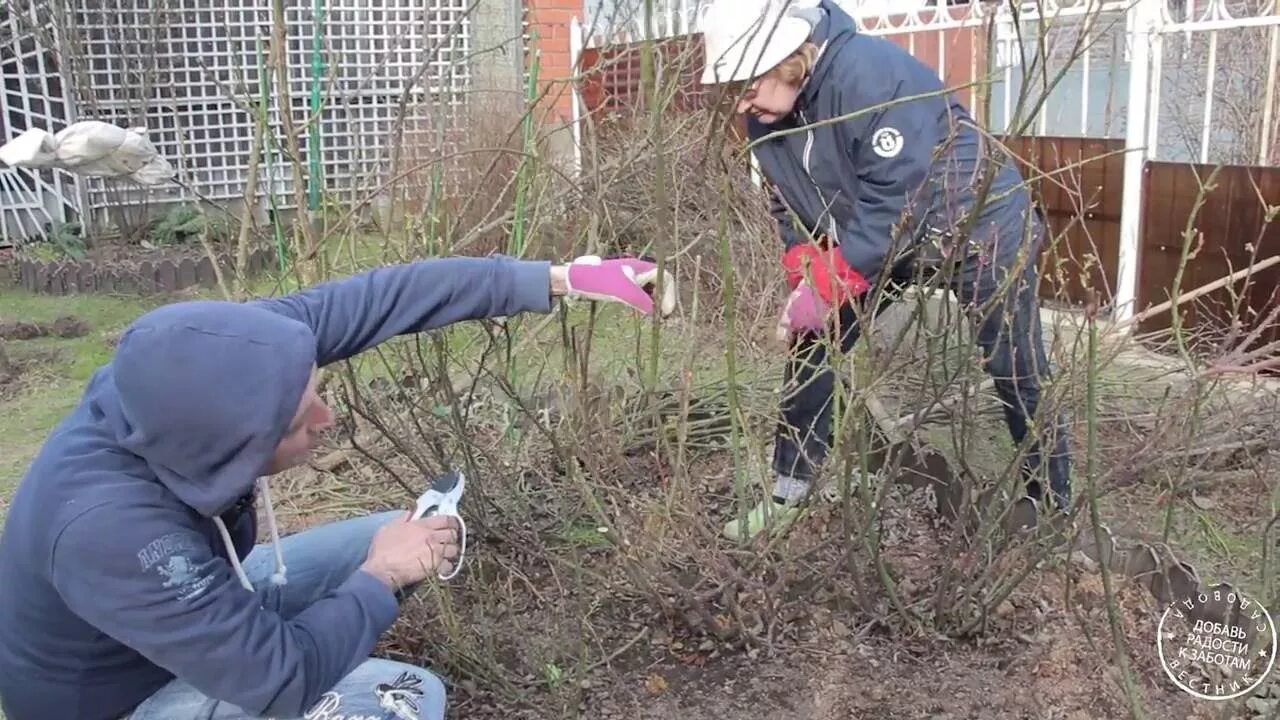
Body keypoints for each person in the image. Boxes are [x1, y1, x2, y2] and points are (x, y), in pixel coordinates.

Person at [0, 253, 674, 720]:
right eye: (301, 421)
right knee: (399, 697)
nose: (328, 419)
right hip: (119, 699)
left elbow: (386, 297)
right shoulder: (112, 531)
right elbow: (280, 680)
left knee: (394, 533)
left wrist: (558, 278)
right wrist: (379, 580)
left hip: (187, 606)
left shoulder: (225, 363)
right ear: (233, 447)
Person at [698, 0, 1073, 541]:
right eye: (731, 89)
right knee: (813, 341)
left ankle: (1053, 501)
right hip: (881, 236)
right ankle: (790, 493)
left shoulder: (868, 76)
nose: (742, 103)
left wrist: (832, 281)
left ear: (787, 60)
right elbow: (788, 202)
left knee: (1015, 363)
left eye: (748, 85)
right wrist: (806, 270)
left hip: (975, 224)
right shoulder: (763, 115)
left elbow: (897, 197)